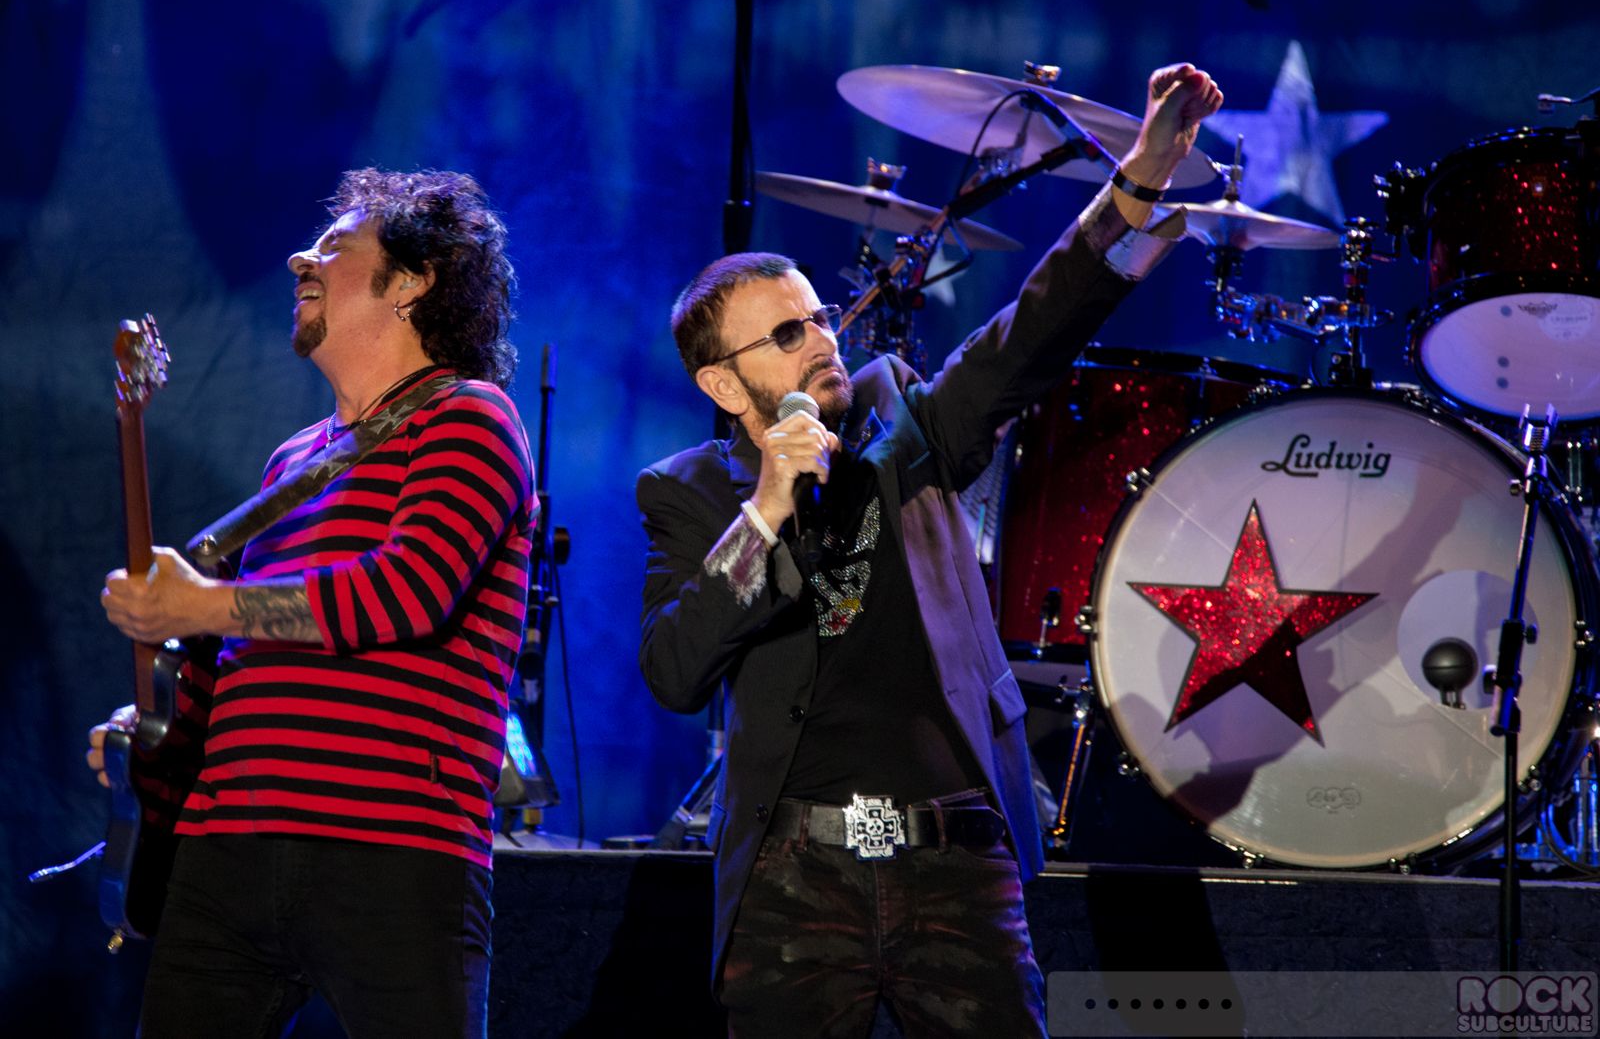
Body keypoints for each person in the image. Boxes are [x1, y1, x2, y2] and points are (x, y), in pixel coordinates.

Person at [637, 64, 1222, 1036]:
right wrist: (768, 510)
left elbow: (1028, 334)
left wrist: (1140, 179)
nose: (821, 339)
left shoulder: (901, 419)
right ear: (725, 386)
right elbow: (673, 668)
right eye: (786, 333)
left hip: (954, 858)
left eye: (818, 316)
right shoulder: (691, 492)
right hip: (795, 876)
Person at [88, 169, 534, 1039]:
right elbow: (244, 654)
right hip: (226, 848)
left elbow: (405, 591)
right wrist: (153, 729)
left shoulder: (471, 418)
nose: (302, 256)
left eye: (335, 245)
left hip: (394, 852)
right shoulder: (292, 460)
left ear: (411, 282)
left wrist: (205, 605)